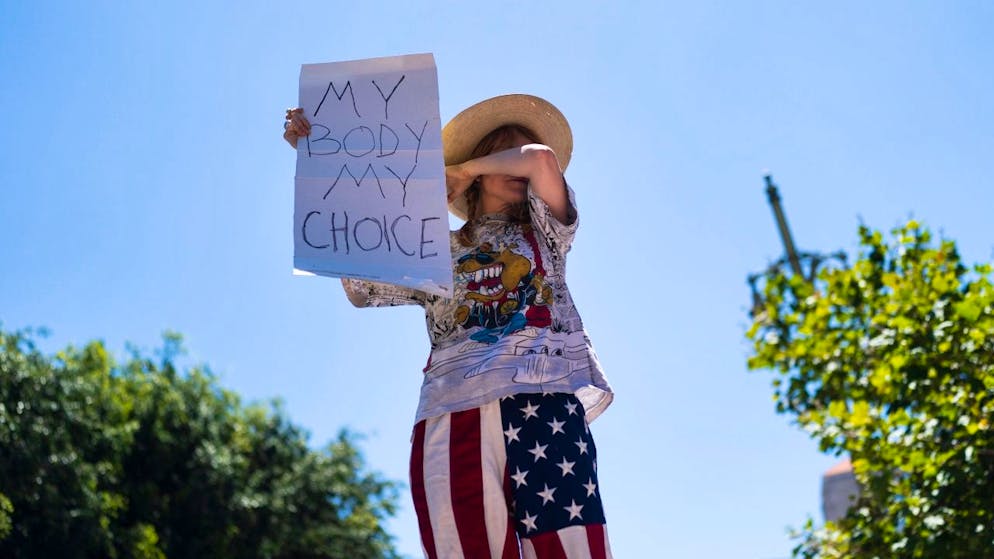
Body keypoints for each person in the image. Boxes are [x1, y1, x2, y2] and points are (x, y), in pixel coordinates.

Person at [284, 94, 614, 559]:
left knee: (574, 550)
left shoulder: (547, 233)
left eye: (513, 153)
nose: (516, 163)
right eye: (503, 150)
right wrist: (317, 155)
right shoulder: (433, 246)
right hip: (451, 412)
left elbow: (540, 159)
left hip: (545, 401)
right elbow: (359, 281)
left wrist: (464, 169)